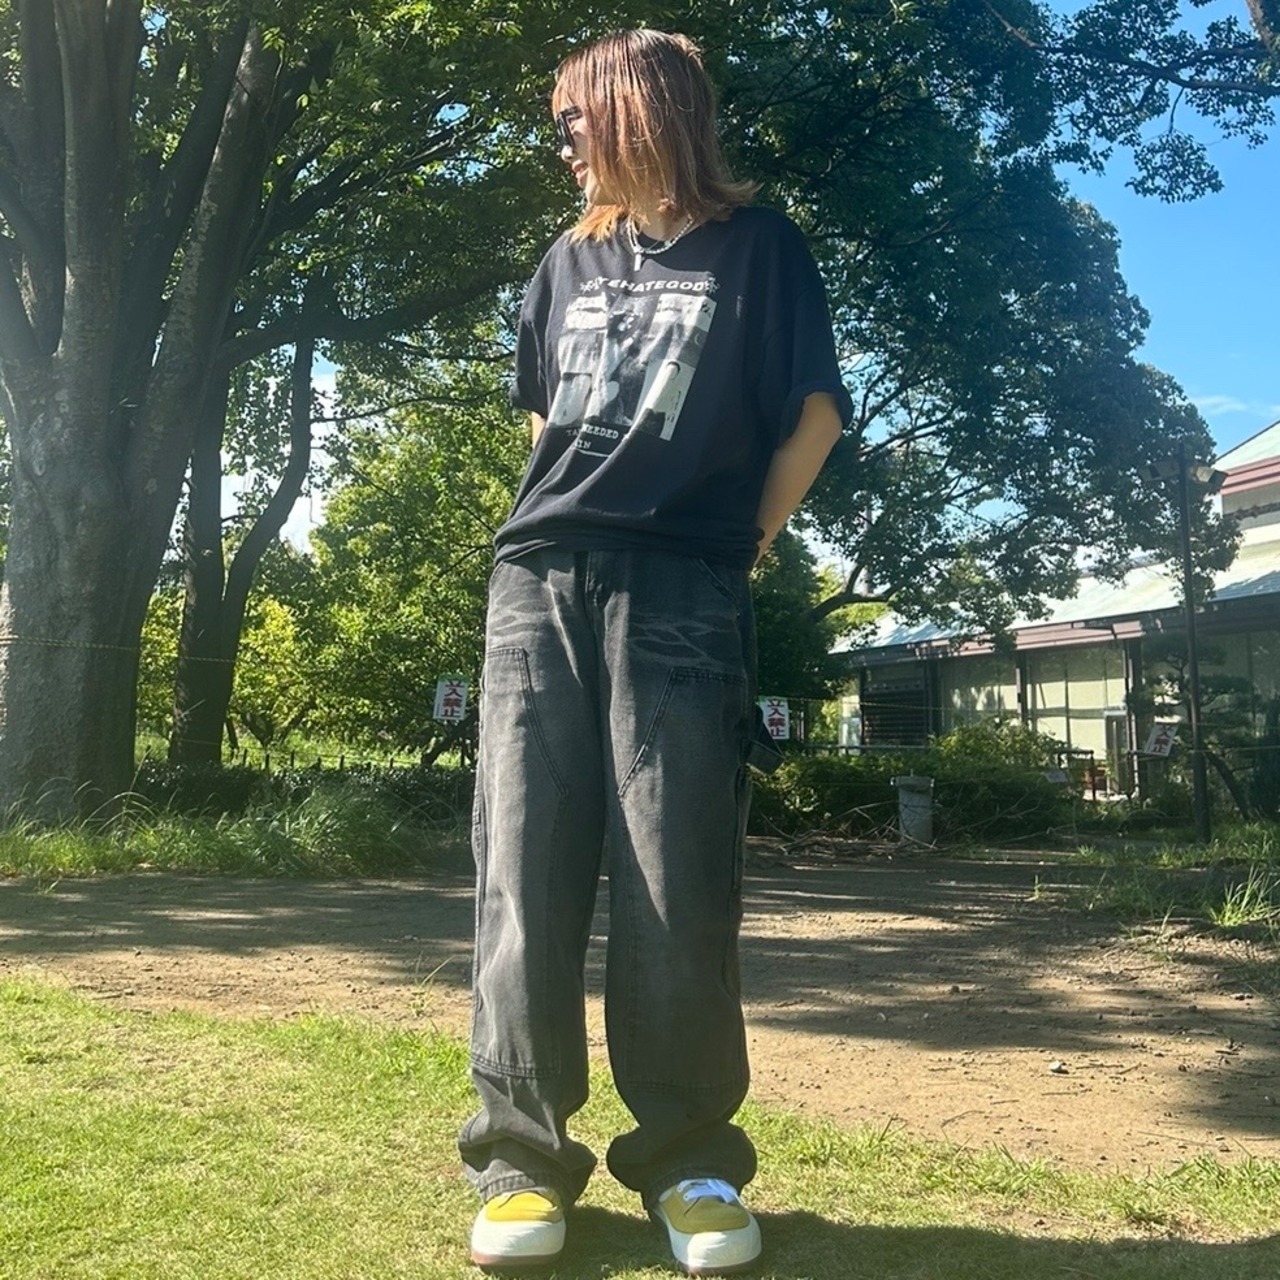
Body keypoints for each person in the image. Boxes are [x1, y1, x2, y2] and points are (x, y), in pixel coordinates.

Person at [459, 28, 851, 1276]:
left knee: (676, 877)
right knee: (523, 870)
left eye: (571, 118)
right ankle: (521, 1161)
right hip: (537, 583)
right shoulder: (561, 261)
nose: (561, 142)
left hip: (685, 584)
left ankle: (687, 1161)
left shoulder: (762, 248)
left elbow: (812, 415)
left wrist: (739, 546)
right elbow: (544, 423)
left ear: (637, 110)